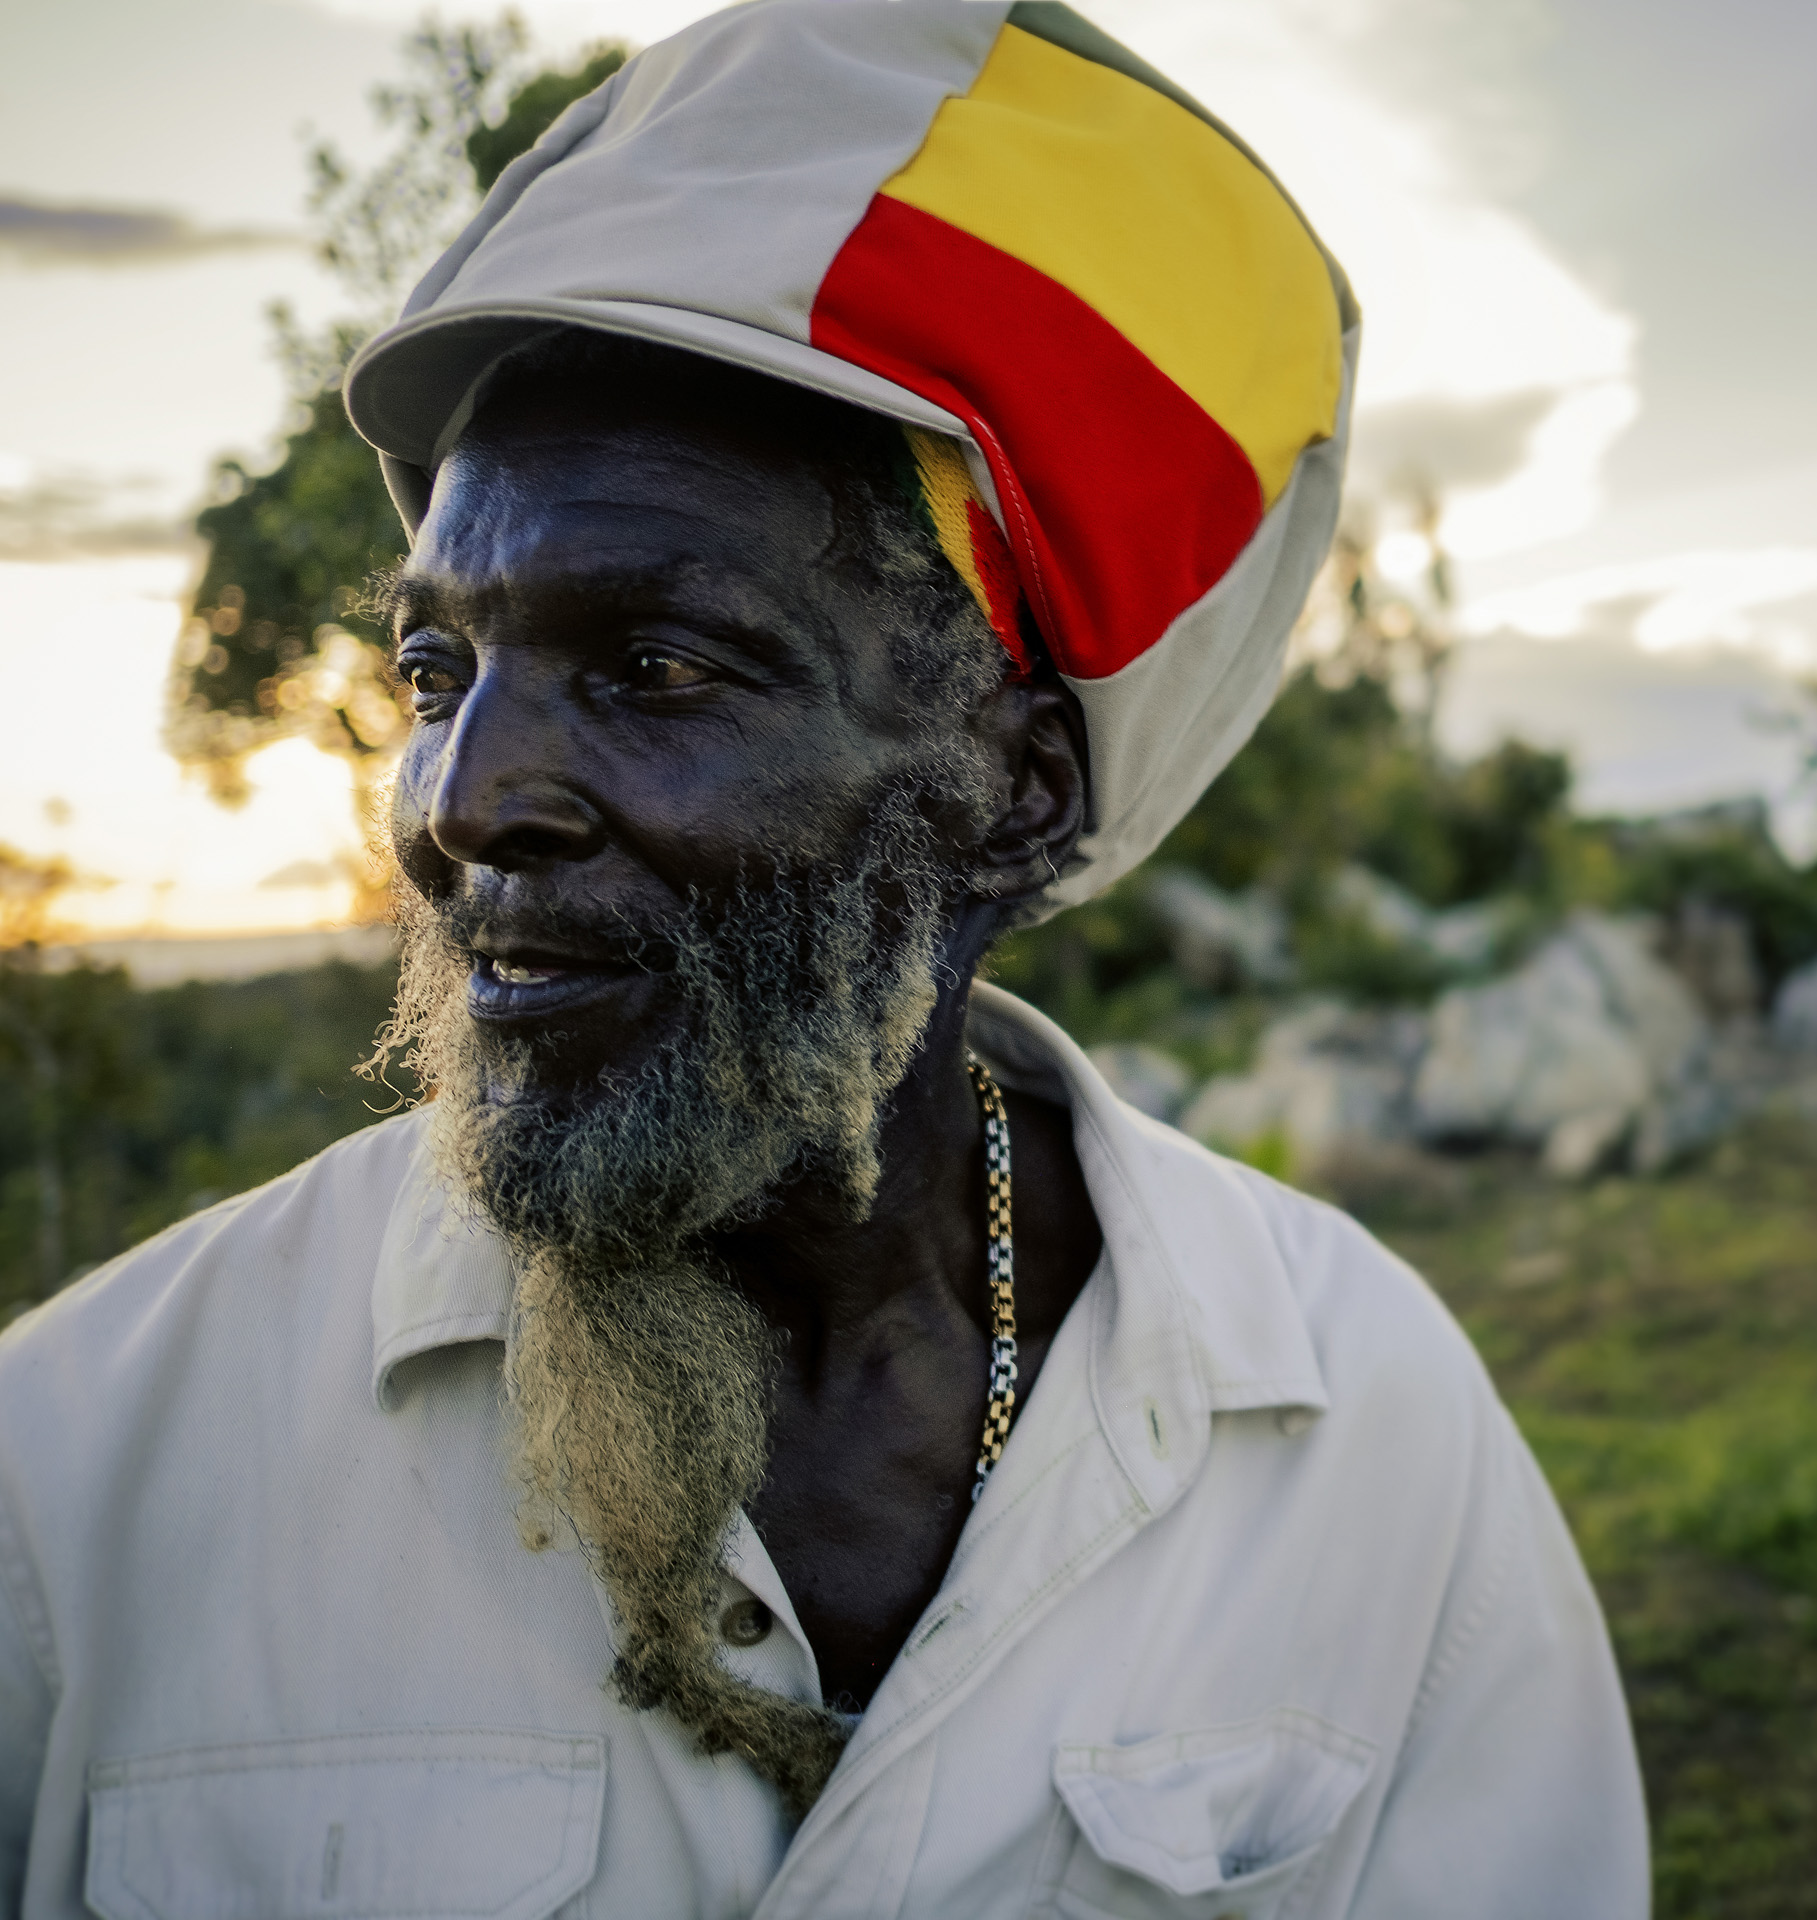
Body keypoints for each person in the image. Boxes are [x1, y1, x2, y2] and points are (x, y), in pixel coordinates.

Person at [0, 4, 1647, 1914]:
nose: (466, 796)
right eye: (439, 670)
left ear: (1016, 798)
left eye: (659, 667)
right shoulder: (87, 1473)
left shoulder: (1364, 1436)